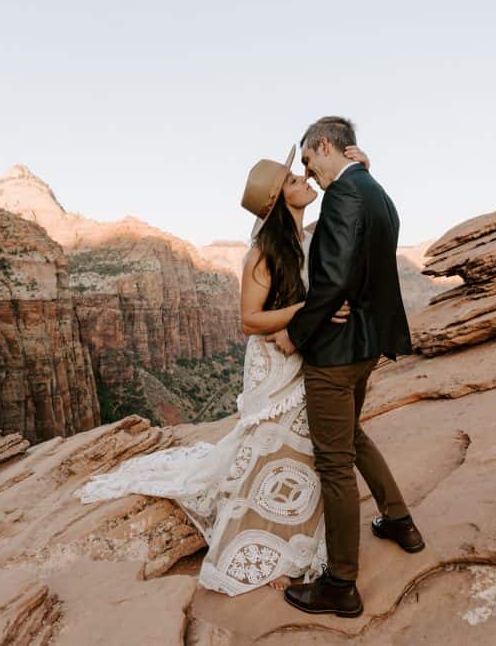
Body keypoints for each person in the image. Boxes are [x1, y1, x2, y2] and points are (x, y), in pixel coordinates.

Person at [75, 143, 369, 595]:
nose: (305, 181)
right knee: (269, 447)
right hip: (273, 364)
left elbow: (346, 213)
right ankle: (262, 537)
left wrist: (360, 169)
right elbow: (250, 321)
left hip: (302, 358)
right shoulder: (263, 253)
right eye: (294, 180)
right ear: (276, 202)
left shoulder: (304, 239)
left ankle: (297, 531)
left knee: (302, 449)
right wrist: (309, 309)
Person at [269, 116, 424, 619]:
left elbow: (333, 279)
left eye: (308, 160)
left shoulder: (341, 196)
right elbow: (364, 267)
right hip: (367, 345)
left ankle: (340, 583)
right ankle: (399, 520)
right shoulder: (375, 190)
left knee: (333, 464)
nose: (308, 172)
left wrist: (295, 335)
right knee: (352, 436)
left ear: (323, 145)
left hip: (335, 354)